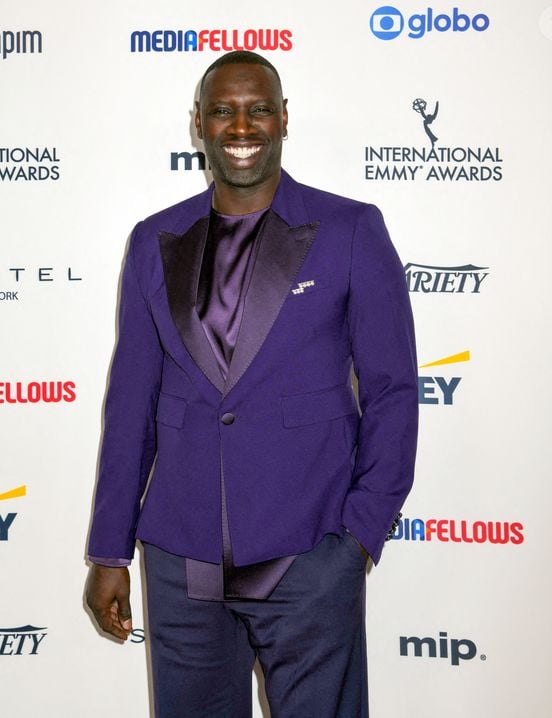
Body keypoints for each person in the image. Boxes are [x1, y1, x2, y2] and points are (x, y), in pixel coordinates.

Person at [86, 50, 418, 718]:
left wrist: (358, 536)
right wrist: (109, 549)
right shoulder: (154, 241)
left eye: (258, 107)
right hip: (183, 559)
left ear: (284, 118)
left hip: (310, 550)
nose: (243, 125)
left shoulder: (350, 229)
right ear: (198, 125)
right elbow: (131, 406)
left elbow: (393, 391)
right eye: (224, 110)